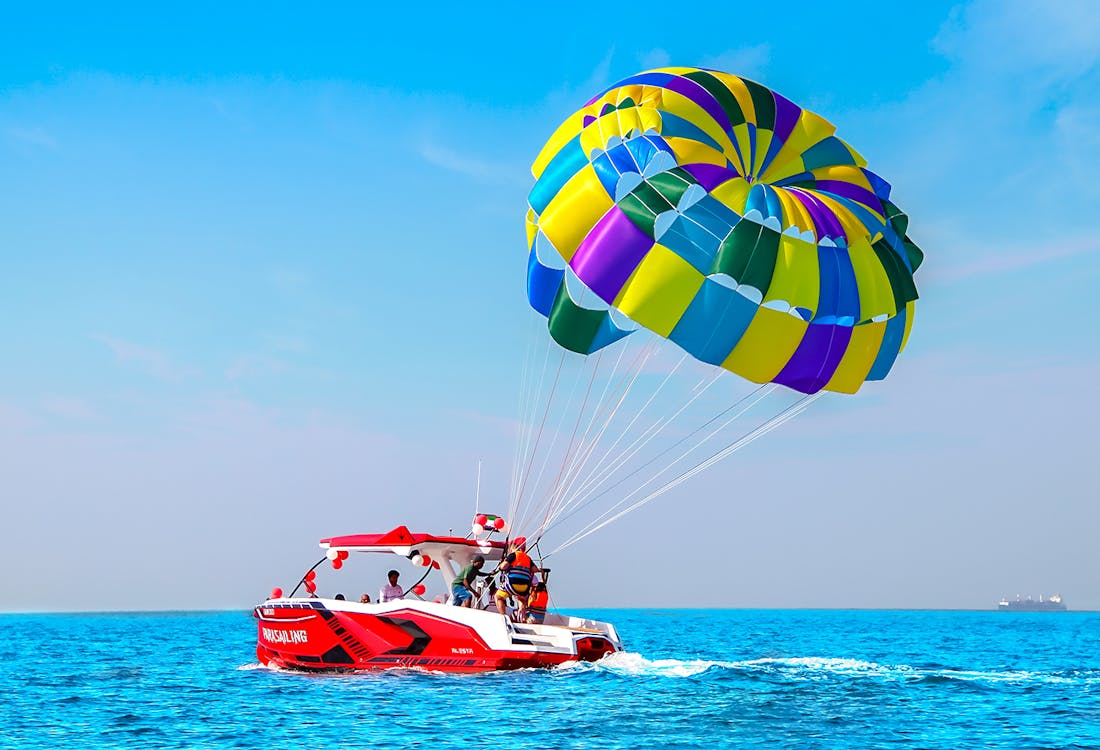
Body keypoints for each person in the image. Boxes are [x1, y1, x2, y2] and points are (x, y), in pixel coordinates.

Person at [495, 538, 537, 620]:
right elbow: (534, 569)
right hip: (524, 588)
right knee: (521, 599)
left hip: (512, 585)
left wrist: (500, 566)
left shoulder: (513, 555)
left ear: (514, 546)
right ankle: (523, 618)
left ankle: (503, 618)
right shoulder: (528, 558)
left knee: (498, 597)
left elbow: (503, 567)